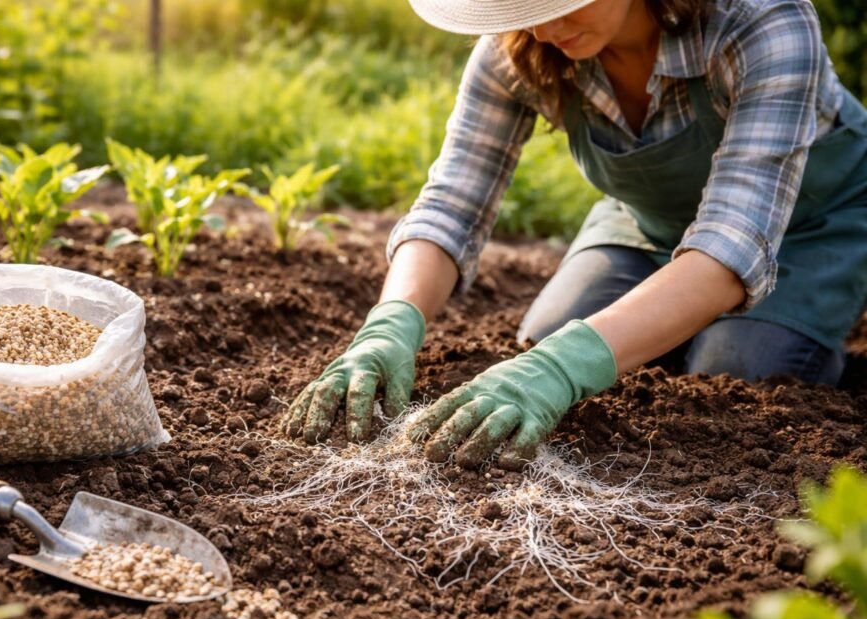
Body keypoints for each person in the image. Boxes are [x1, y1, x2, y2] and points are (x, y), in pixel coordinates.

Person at [285, 0, 867, 471]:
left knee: (730, 374)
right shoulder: (518, 48)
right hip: (650, 224)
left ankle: (815, 328)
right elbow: (452, 203)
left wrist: (568, 368)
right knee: (543, 341)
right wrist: (391, 323)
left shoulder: (763, 23)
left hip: (811, 229)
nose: (543, 24)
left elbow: (732, 244)